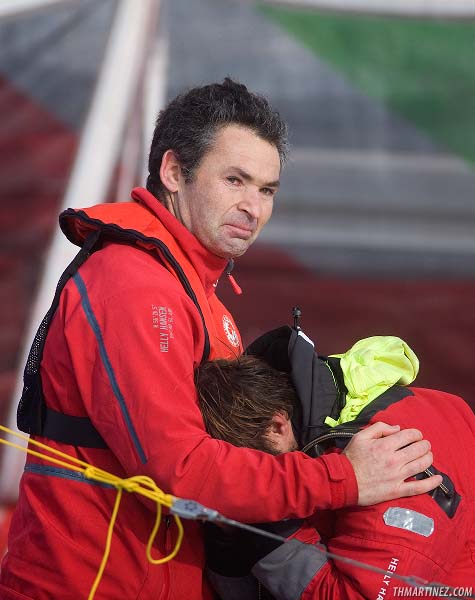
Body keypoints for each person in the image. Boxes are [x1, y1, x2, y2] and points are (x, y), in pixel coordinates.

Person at [0, 79, 440, 600]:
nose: (253, 208)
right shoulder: (135, 285)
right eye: (235, 180)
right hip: (89, 585)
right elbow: (180, 469)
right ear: (173, 173)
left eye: (267, 190)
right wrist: (341, 477)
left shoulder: (195, 287)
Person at [195, 331, 475, 599]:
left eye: (254, 464)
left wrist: (263, 526)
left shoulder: (390, 464)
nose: (264, 478)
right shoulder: (350, 397)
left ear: (276, 426)